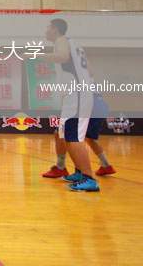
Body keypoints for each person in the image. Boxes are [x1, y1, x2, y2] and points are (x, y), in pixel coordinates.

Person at [39, 18, 98, 192]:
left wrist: (36, 56)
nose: (46, 30)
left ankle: (89, 179)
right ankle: (79, 172)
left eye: (48, 27)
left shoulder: (61, 40)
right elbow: (90, 70)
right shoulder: (74, 45)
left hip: (77, 94)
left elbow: (63, 57)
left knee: (74, 137)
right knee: (64, 134)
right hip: (75, 95)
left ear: (55, 29)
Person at [43, 93, 116, 179]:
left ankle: (63, 168)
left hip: (86, 104)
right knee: (88, 137)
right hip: (100, 105)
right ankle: (106, 165)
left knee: (62, 133)